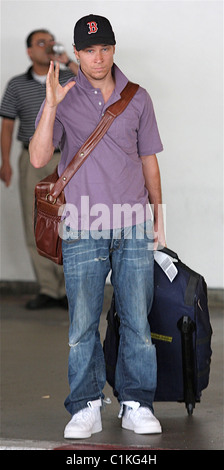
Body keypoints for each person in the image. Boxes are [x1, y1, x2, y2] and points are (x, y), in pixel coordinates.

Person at [29, 15, 166, 438]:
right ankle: (85, 405)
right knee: (82, 323)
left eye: (104, 48)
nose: (98, 57)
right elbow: (37, 159)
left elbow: (148, 160)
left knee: (137, 321)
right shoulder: (61, 98)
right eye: (89, 50)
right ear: (76, 54)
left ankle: (136, 402)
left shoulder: (137, 97)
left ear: (113, 49)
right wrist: (51, 104)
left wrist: (159, 216)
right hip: (81, 225)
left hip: (132, 226)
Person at [0, 29, 79, 309]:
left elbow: (96, 84)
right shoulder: (16, 85)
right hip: (31, 160)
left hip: (66, 159)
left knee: (69, 221)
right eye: (40, 43)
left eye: (50, 41)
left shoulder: (69, 78)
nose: (46, 47)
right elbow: (7, 125)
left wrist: (68, 61)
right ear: (29, 51)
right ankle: (48, 289)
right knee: (35, 222)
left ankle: (70, 289)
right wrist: (5, 161)